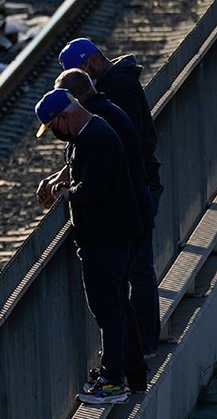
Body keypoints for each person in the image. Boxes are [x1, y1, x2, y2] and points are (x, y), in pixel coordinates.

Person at [34, 88, 148, 404]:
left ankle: (113, 382)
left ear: (64, 118)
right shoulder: (87, 134)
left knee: (107, 310)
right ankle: (133, 374)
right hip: (109, 238)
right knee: (120, 306)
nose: (55, 134)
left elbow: (92, 189)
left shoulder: (96, 138)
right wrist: (57, 183)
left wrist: (64, 194)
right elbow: (76, 168)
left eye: (53, 127)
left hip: (106, 240)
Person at [59, 39, 164, 358]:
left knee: (138, 267)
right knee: (134, 268)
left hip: (138, 189)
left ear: (90, 64)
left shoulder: (117, 91)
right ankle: (139, 345)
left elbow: (114, 149)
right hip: (138, 187)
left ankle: (144, 343)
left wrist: (70, 186)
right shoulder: (114, 87)